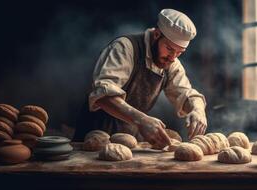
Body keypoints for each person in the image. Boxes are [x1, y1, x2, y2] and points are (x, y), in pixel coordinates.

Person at [74, 8, 207, 148]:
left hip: (129, 143)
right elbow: (103, 95)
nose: (173, 57)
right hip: (93, 140)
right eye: (169, 49)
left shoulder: (171, 63)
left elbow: (187, 94)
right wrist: (141, 120)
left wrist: (198, 110)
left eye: (179, 52)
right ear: (156, 34)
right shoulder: (126, 47)